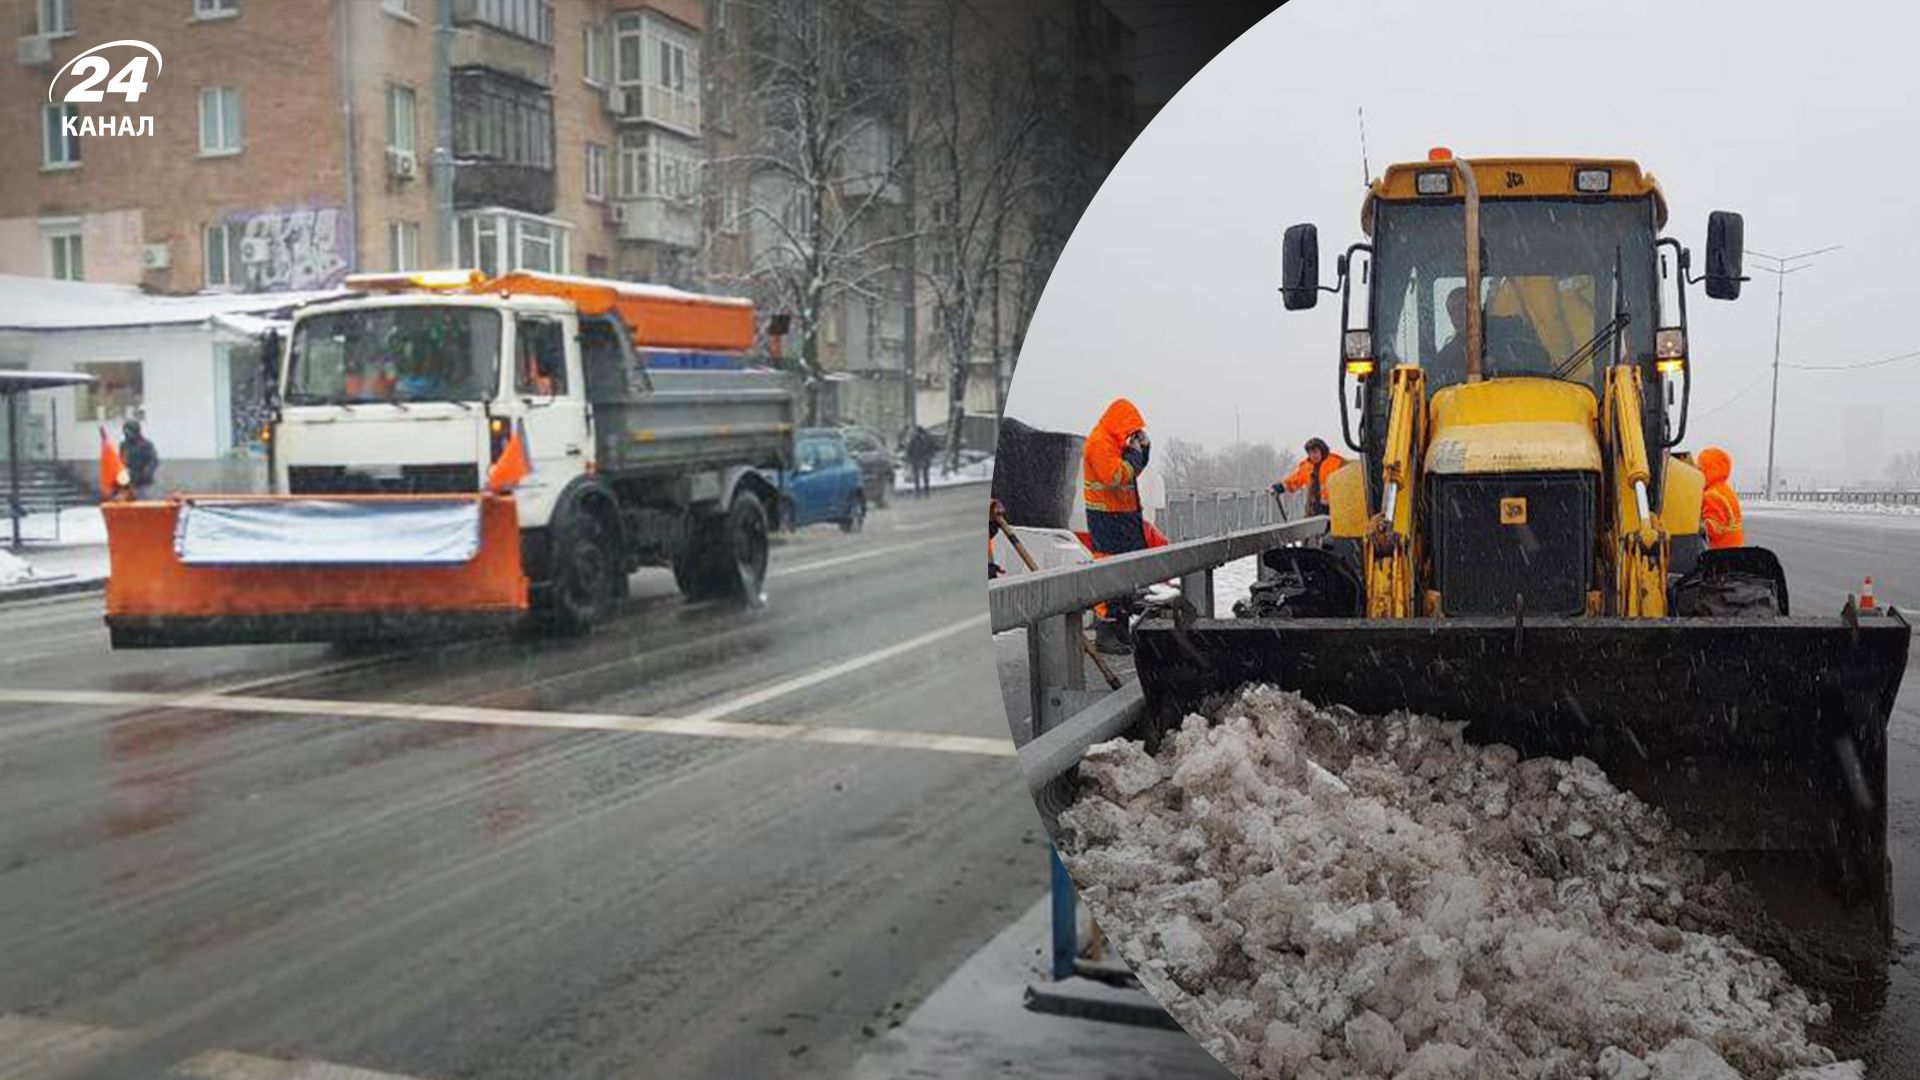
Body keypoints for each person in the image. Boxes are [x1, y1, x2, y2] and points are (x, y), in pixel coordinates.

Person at [1082, 398, 1151, 653]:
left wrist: (1144, 450)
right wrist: (1134, 454)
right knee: (1110, 572)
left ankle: (1121, 628)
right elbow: (1114, 477)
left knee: (1126, 573)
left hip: (1123, 515)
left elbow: (1132, 472)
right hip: (1106, 518)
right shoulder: (1100, 443)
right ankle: (1107, 630)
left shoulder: (1116, 442)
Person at [1276, 437, 1346, 517]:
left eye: (1315, 452)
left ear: (1322, 452)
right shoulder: (1306, 467)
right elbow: (1294, 480)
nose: (1313, 455)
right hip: (1313, 510)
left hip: (1335, 510)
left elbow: (1352, 472)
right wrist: (1280, 487)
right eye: (1310, 453)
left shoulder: (1336, 462)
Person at [1698, 446, 1744, 549]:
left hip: (1722, 550)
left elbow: (1713, 527)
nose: (1698, 472)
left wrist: (1697, 527)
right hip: (1734, 546)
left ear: (1709, 470)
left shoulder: (1712, 495)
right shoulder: (1725, 490)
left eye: (1700, 468)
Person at [120, 420, 159, 500]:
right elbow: (120, 460)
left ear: (136, 431)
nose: (127, 433)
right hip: (128, 481)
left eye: (129, 431)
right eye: (125, 431)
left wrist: (147, 471)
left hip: (143, 482)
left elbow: (153, 460)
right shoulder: (124, 445)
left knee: (142, 503)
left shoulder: (146, 444)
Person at [906, 426, 937, 499]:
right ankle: (923, 492)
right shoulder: (925, 439)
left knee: (921, 477)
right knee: (922, 476)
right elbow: (909, 450)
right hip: (920, 459)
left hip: (919, 459)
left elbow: (909, 450)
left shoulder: (916, 439)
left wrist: (910, 458)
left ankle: (921, 492)